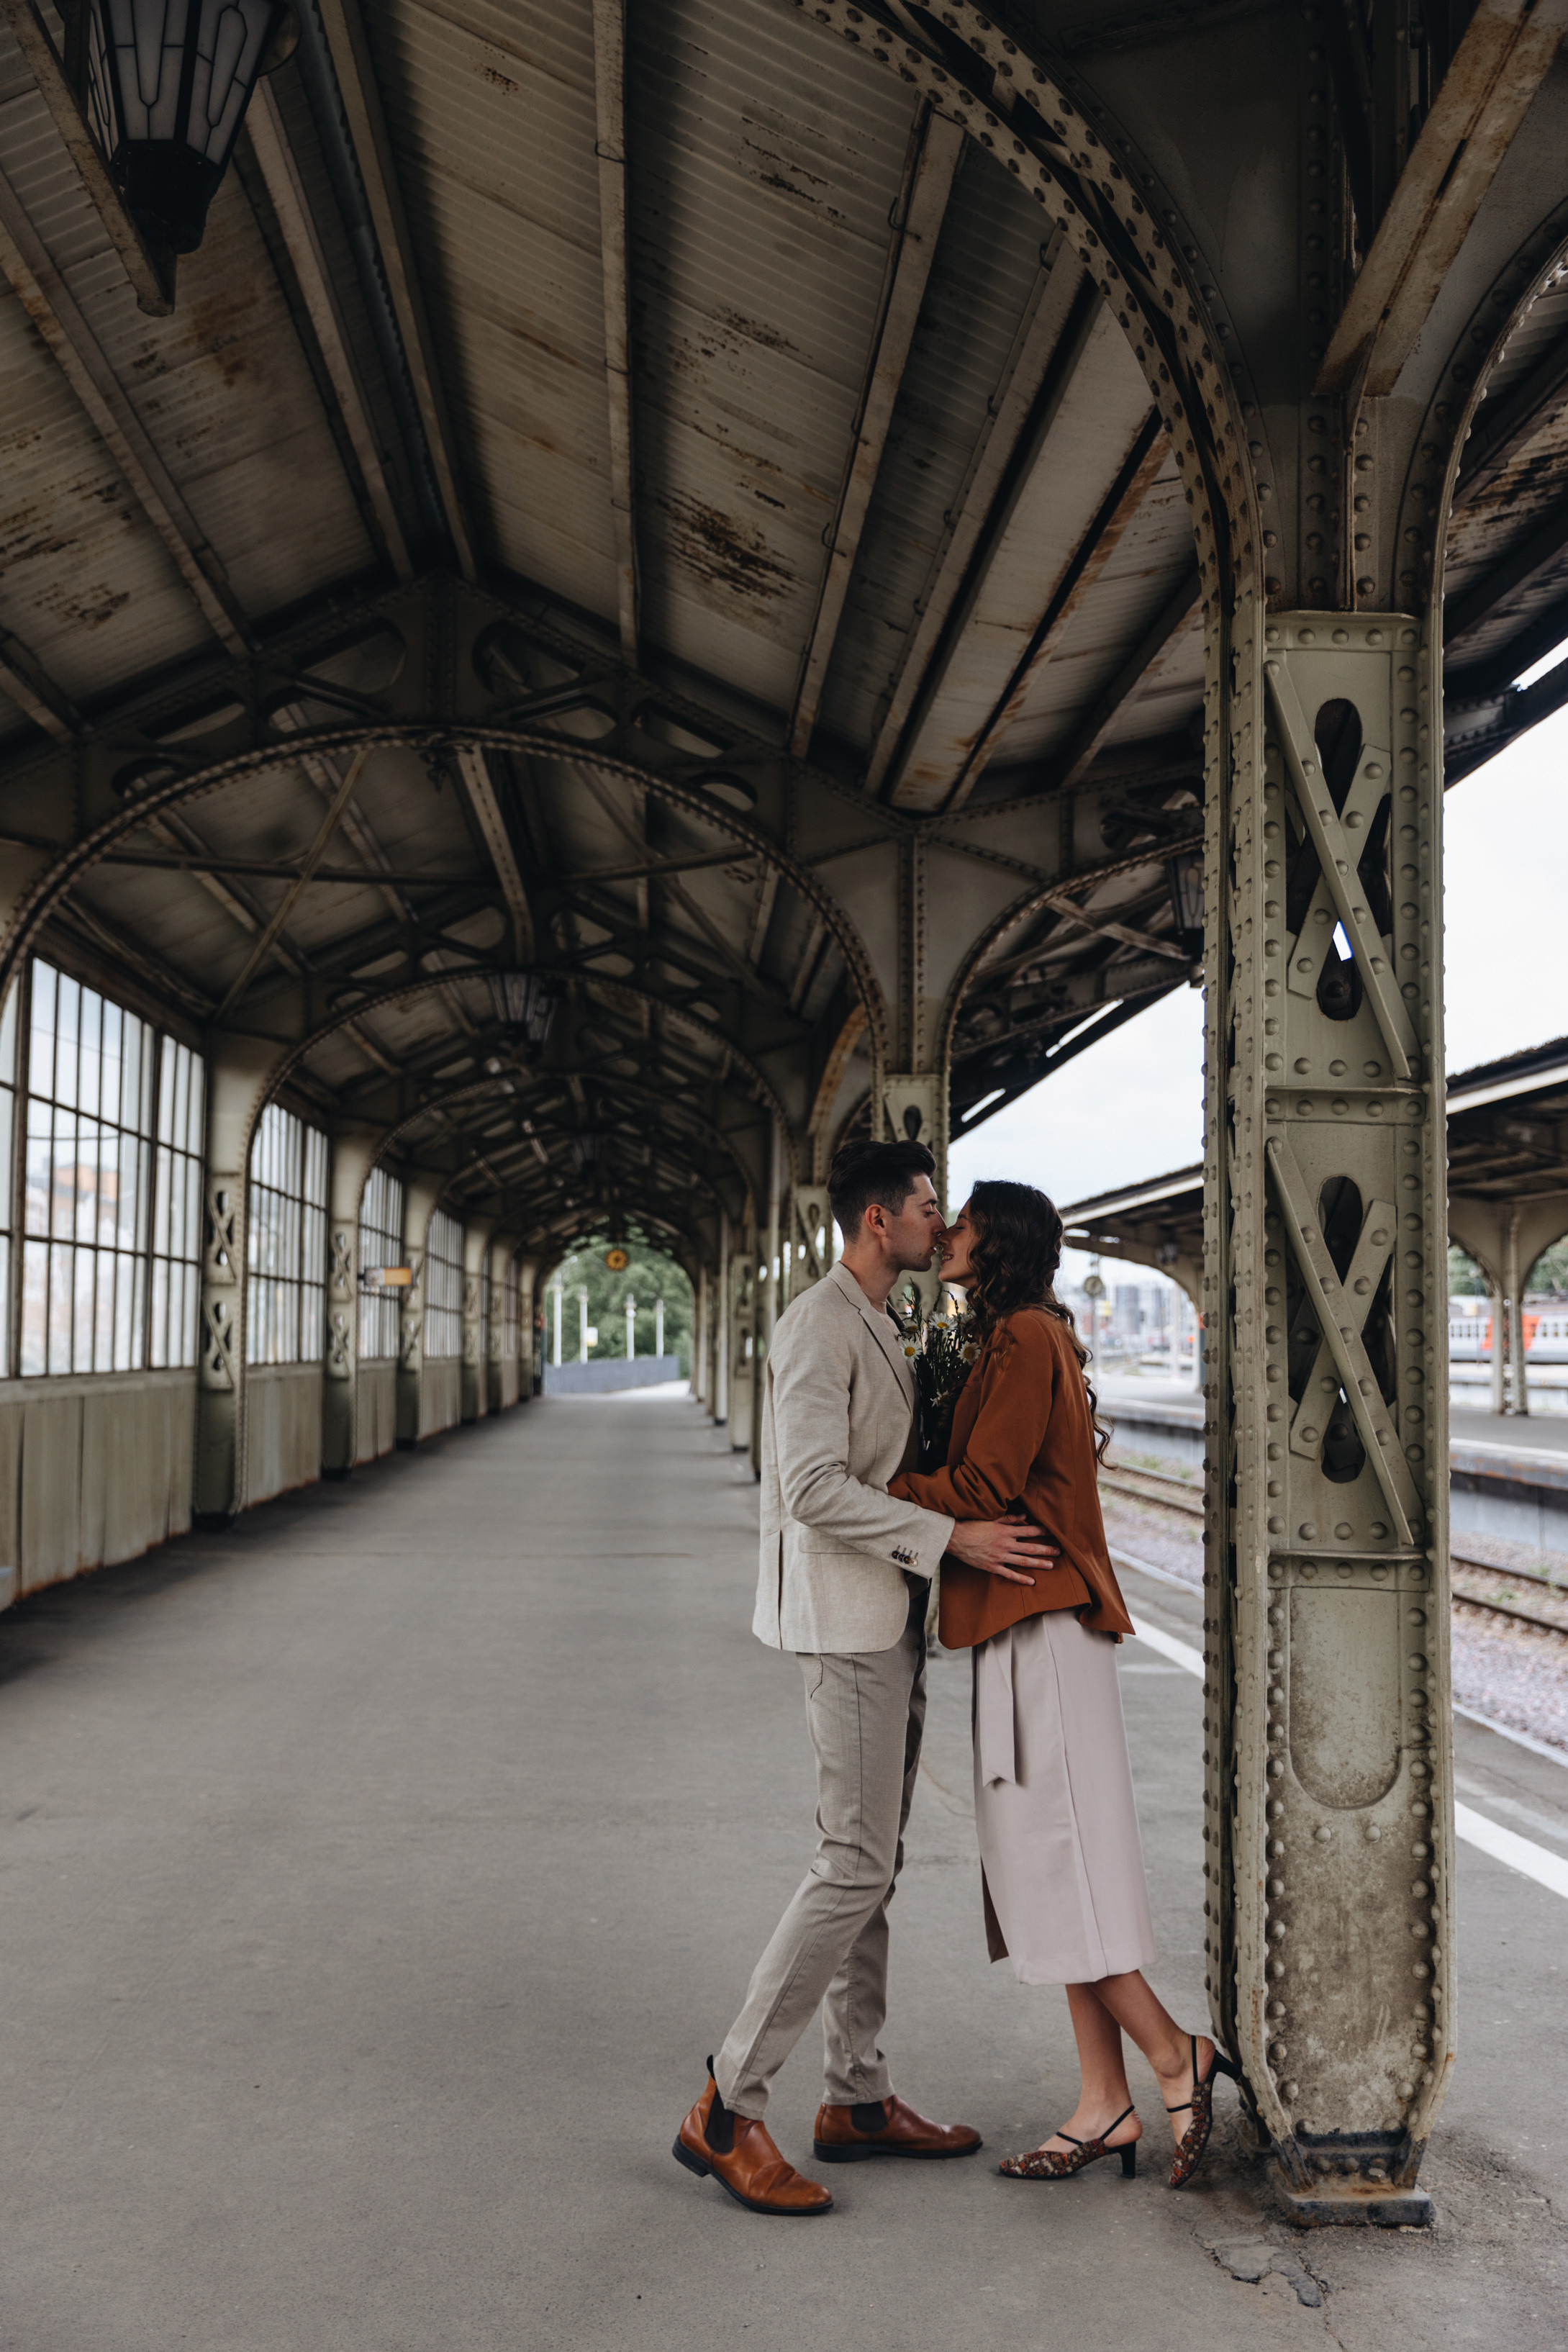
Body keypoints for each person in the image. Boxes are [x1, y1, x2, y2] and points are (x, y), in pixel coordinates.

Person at [673, 1139, 1059, 2217]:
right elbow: (808, 1488)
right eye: (931, 1206)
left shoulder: (891, 1320)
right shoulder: (818, 1325)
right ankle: (729, 2103)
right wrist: (950, 1538)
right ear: (880, 1221)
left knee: (874, 1866)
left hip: (890, 1616)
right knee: (852, 1861)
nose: (945, 1222)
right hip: (848, 1623)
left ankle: (856, 2096)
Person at [890, 1180, 1238, 2189]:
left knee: (1058, 1867)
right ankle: (1104, 2105)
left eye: (960, 1224)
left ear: (993, 1240)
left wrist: (872, 1480)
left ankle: (1176, 2057)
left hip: (1043, 1624)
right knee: (1055, 1874)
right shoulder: (1010, 1335)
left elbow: (986, 1486)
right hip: (1018, 1620)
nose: (946, 1234)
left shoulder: (1027, 1339)